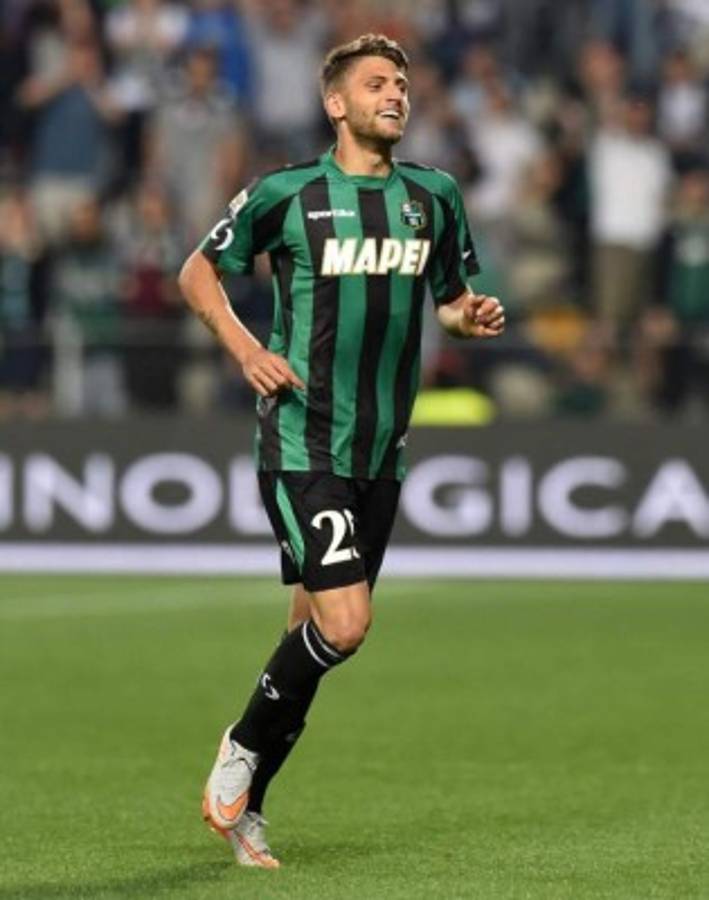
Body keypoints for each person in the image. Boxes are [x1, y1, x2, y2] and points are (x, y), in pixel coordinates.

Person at [178, 33, 505, 869]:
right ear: (336, 104)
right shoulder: (286, 192)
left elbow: (450, 299)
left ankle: (247, 810)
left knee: (309, 641)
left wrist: (469, 315)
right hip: (303, 438)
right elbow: (197, 272)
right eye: (375, 83)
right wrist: (247, 350)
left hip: (382, 452)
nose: (394, 94)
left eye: (400, 84)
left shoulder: (433, 196)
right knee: (346, 625)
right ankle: (242, 744)